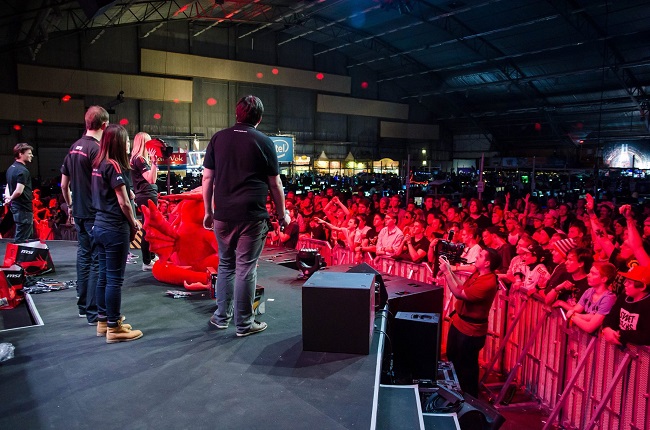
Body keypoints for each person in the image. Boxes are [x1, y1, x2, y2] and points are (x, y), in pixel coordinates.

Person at [202, 95, 289, 337]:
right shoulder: (264, 141)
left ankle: (221, 317)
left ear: (236, 114)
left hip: (223, 215)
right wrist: (282, 214)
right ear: (259, 118)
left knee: (226, 265)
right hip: (252, 216)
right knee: (245, 270)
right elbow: (275, 183)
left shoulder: (218, 138)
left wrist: (208, 211)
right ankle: (244, 324)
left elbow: (207, 178)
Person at [92, 124, 143, 343]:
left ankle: (104, 321)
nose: (129, 144)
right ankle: (114, 328)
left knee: (104, 276)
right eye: (127, 140)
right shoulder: (114, 165)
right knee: (114, 280)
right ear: (118, 143)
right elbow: (124, 203)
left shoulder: (98, 164)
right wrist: (134, 222)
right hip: (114, 228)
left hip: (100, 226)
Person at [61, 106, 107, 324]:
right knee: (98, 261)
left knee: (84, 257)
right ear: (104, 125)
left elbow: (64, 184)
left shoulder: (74, 147)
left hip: (78, 211)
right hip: (93, 213)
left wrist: (70, 206)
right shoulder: (97, 150)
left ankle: (83, 306)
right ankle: (93, 311)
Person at [438, 247, 502, 397]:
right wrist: (450, 271)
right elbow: (463, 286)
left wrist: (447, 273)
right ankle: (456, 395)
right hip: (459, 324)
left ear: (487, 263)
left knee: (465, 367)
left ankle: (469, 399)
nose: (477, 257)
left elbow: (460, 293)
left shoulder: (488, 283)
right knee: (453, 359)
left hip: (470, 332)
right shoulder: (478, 274)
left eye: (480, 256)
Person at [129, 132, 159, 271]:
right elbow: (151, 179)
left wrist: (154, 163)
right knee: (148, 229)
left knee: (151, 228)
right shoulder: (140, 159)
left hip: (146, 195)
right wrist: (153, 162)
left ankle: (150, 257)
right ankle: (147, 261)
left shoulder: (138, 159)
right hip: (146, 196)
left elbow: (153, 177)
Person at [602, 265, 650, 346]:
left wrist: (620, 334)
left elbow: (646, 335)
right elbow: (611, 316)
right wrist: (607, 328)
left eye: (629, 282)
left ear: (642, 287)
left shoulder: (647, 305)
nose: (625, 284)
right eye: (626, 281)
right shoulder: (624, 296)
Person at [4, 143, 34, 243]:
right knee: (22, 237)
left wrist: (8, 198)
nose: (31, 155)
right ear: (21, 154)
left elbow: (8, 185)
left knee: (22, 233)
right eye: (29, 153)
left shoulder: (11, 168)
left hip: (16, 207)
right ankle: (19, 258)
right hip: (23, 207)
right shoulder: (23, 171)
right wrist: (10, 198)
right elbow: (19, 191)